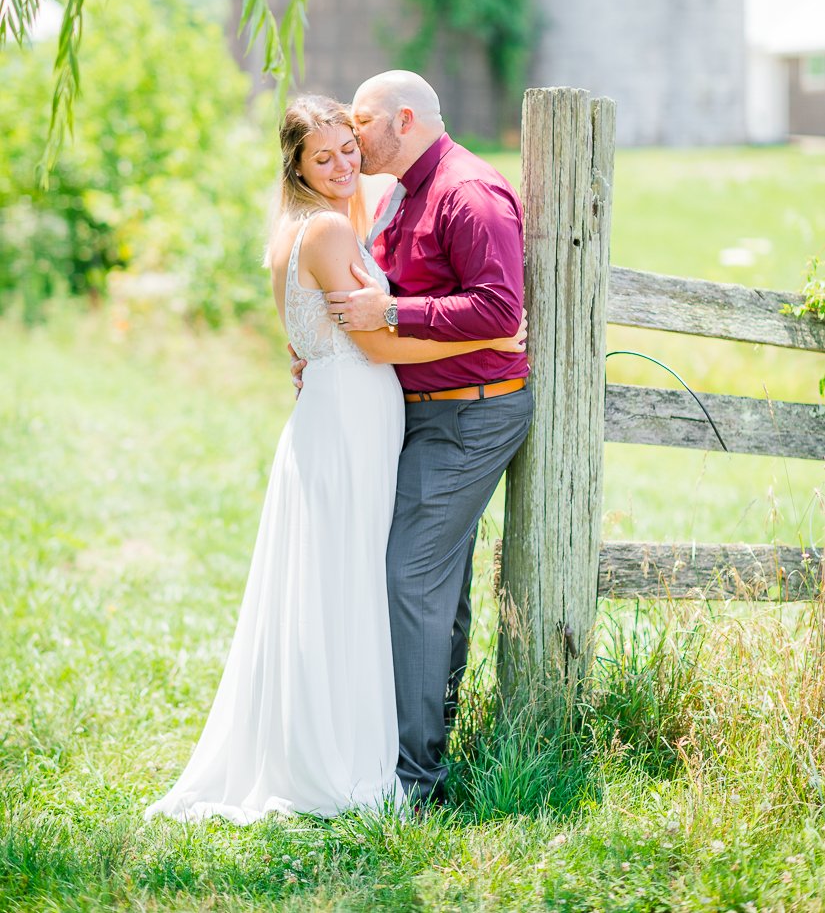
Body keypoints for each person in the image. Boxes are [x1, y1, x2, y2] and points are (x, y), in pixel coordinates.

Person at [145, 95, 526, 824]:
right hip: (352, 415)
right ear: (296, 166)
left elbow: (310, 338)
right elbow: (376, 342)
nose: (344, 164)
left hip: (349, 410)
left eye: (349, 148)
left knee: (347, 578)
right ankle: (356, 754)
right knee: (358, 578)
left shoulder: (318, 224)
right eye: (324, 157)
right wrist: (495, 343)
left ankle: (371, 739)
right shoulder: (323, 229)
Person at [295, 70, 534, 807]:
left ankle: (415, 780)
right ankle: (429, 741)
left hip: (470, 412)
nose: (350, 134)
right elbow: (373, 293)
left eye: (359, 122)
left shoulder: (468, 191)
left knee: (409, 578)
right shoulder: (400, 191)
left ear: (401, 119)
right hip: (419, 411)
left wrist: (391, 317)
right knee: (433, 587)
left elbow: (499, 309)